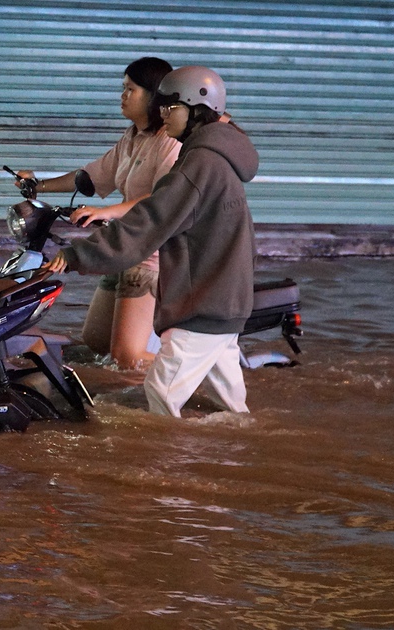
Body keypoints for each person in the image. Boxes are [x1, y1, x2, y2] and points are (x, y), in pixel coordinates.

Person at [45, 66, 258, 418]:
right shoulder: (214, 157)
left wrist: (76, 255)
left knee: (160, 393)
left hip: (205, 303)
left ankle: (171, 454)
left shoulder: (199, 164)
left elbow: (149, 222)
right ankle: (238, 447)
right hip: (224, 298)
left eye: (171, 107)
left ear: (197, 111)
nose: (163, 114)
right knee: (233, 412)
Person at [15, 57, 180, 370]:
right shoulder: (132, 138)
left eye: (130, 89)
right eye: (123, 88)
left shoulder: (169, 142)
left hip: (152, 254)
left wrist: (108, 211)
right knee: (95, 344)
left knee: (127, 357)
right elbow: (91, 177)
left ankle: (199, 370)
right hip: (122, 246)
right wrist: (38, 186)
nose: (123, 95)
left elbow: (161, 198)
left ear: (153, 96)